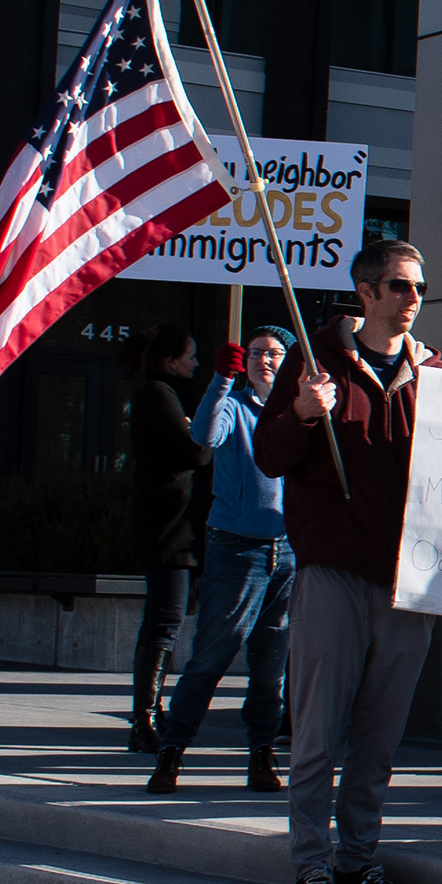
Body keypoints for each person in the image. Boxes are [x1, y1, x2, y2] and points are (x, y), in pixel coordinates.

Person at [255, 239, 442, 884]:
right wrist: (304, 414)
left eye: (418, 286)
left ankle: (358, 861)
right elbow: (270, 456)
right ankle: (310, 867)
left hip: (407, 581)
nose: (413, 298)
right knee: (317, 734)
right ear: (365, 292)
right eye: (398, 286)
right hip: (333, 575)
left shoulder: (438, 376)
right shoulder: (317, 364)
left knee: (378, 738)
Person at [146, 324, 294, 795]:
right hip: (237, 548)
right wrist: (220, 381)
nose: (263, 360)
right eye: (255, 353)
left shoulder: (299, 412)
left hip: (288, 552)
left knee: (272, 667)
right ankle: (171, 754)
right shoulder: (232, 405)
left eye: (273, 353)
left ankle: (261, 755)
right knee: (212, 656)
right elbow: (203, 436)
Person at [125, 324, 212, 753]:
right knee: (164, 620)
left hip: (176, 526)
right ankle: (144, 718)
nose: (195, 364)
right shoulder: (157, 393)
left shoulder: (168, 396)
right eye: (191, 355)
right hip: (167, 528)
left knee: (167, 619)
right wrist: (205, 433)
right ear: (170, 360)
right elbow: (194, 452)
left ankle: (149, 712)